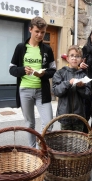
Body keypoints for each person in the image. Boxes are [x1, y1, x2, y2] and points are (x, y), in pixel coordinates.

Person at [9, 16, 56, 148]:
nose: (40, 35)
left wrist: (44, 73)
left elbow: (53, 70)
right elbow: (11, 69)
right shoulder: (20, 47)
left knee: (48, 123)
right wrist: (23, 70)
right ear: (30, 29)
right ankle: (33, 150)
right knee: (29, 123)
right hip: (25, 90)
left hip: (43, 91)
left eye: (42, 32)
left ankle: (41, 147)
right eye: (37, 31)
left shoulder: (47, 49)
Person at [52, 45, 92, 131]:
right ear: (67, 58)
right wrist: (68, 83)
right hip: (64, 114)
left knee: (78, 140)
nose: (74, 58)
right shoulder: (60, 73)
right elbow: (56, 91)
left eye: (77, 56)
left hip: (79, 116)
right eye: (72, 55)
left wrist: (81, 87)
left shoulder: (83, 75)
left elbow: (88, 94)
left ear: (81, 59)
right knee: (66, 139)